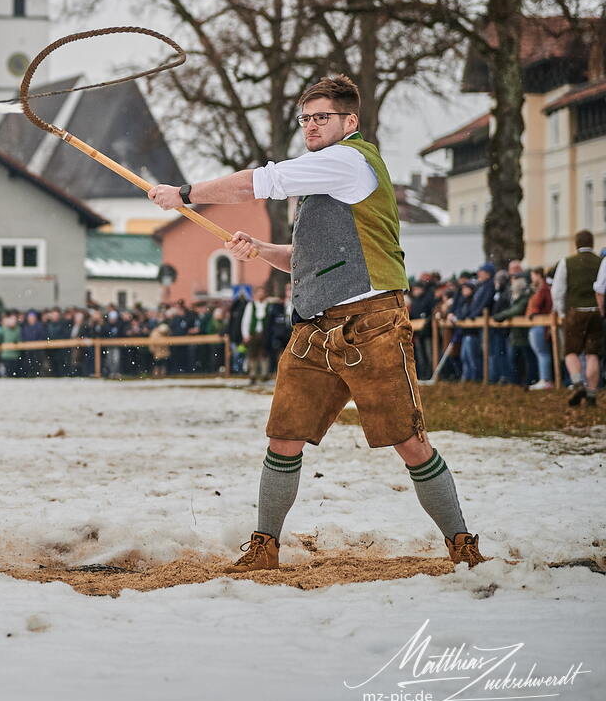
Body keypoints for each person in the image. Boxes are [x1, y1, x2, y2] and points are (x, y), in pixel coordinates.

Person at [148, 74, 485, 569]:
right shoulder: (322, 174)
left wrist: (185, 192)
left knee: (409, 441)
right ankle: (264, 547)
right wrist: (262, 251)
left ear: (350, 121)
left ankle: (463, 545)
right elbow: (308, 257)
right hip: (315, 328)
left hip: (371, 324)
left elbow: (258, 182)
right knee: (283, 436)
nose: (310, 126)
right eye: (305, 119)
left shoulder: (349, 161)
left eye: (321, 118)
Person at [554, 229, 602, 406]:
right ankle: (591, 393)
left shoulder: (567, 263)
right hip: (597, 311)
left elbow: (558, 291)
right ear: (592, 243)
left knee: (571, 351)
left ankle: (577, 383)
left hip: (575, 311)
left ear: (576, 243)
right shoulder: (601, 262)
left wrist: (562, 312)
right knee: (592, 353)